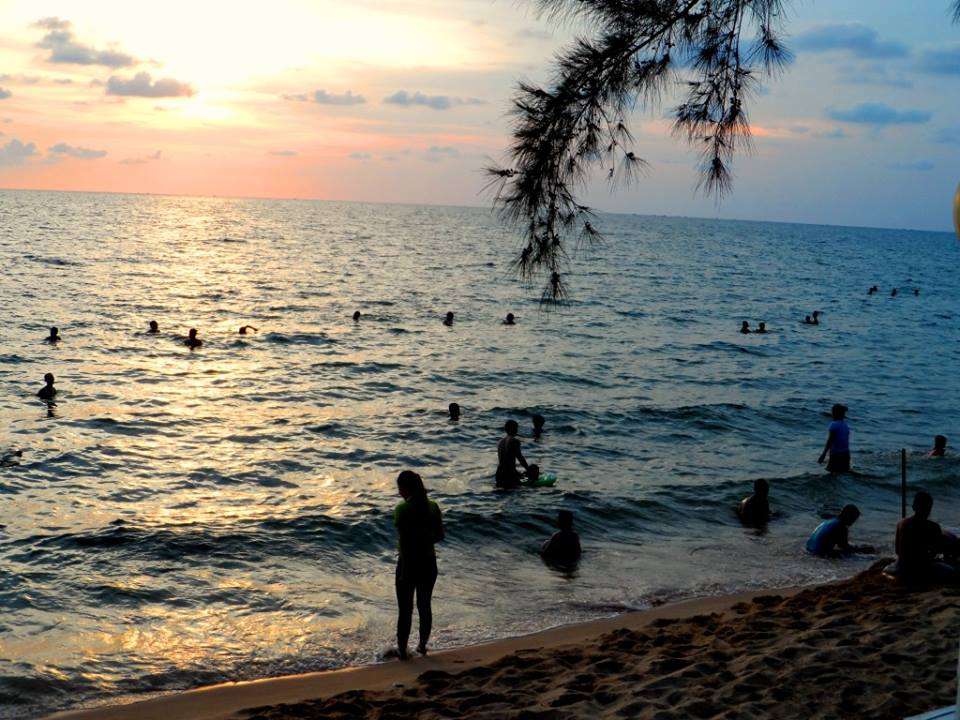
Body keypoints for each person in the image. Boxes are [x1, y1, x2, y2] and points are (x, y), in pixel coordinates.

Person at [393, 470, 444, 659]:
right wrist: (424, 540)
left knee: (405, 609)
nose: (399, 493)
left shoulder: (402, 509)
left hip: (408, 562)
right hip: (429, 562)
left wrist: (405, 569)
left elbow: (404, 542)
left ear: (406, 489)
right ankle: (422, 646)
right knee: (425, 606)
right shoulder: (433, 507)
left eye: (400, 488)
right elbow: (440, 536)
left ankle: (402, 650)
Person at [892, 491, 955, 583]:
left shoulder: (901, 523)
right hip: (921, 570)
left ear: (914, 506)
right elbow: (936, 551)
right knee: (951, 571)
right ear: (929, 509)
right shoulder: (932, 527)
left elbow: (897, 551)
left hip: (902, 567)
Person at [806, 505, 873, 557]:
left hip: (809, 549)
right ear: (848, 516)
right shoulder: (841, 526)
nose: (853, 522)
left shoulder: (831, 520)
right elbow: (844, 547)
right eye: (853, 519)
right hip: (819, 554)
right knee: (853, 556)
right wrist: (860, 550)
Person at [818, 404, 851, 474]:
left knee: (832, 473)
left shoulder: (834, 424)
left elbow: (830, 441)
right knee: (844, 472)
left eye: (832, 412)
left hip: (836, 454)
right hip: (846, 453)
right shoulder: (845, 425)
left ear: (835, 414)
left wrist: (823, 454)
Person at [496, 420, 529, 488]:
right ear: (514, 429)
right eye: (516, 428)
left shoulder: (500, 442)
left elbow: (505, 461)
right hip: (509, 474)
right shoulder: (514, 441)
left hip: (499, 473)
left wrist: (517, 473)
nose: (517, 430)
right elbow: (520, 458)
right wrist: (528, 470)